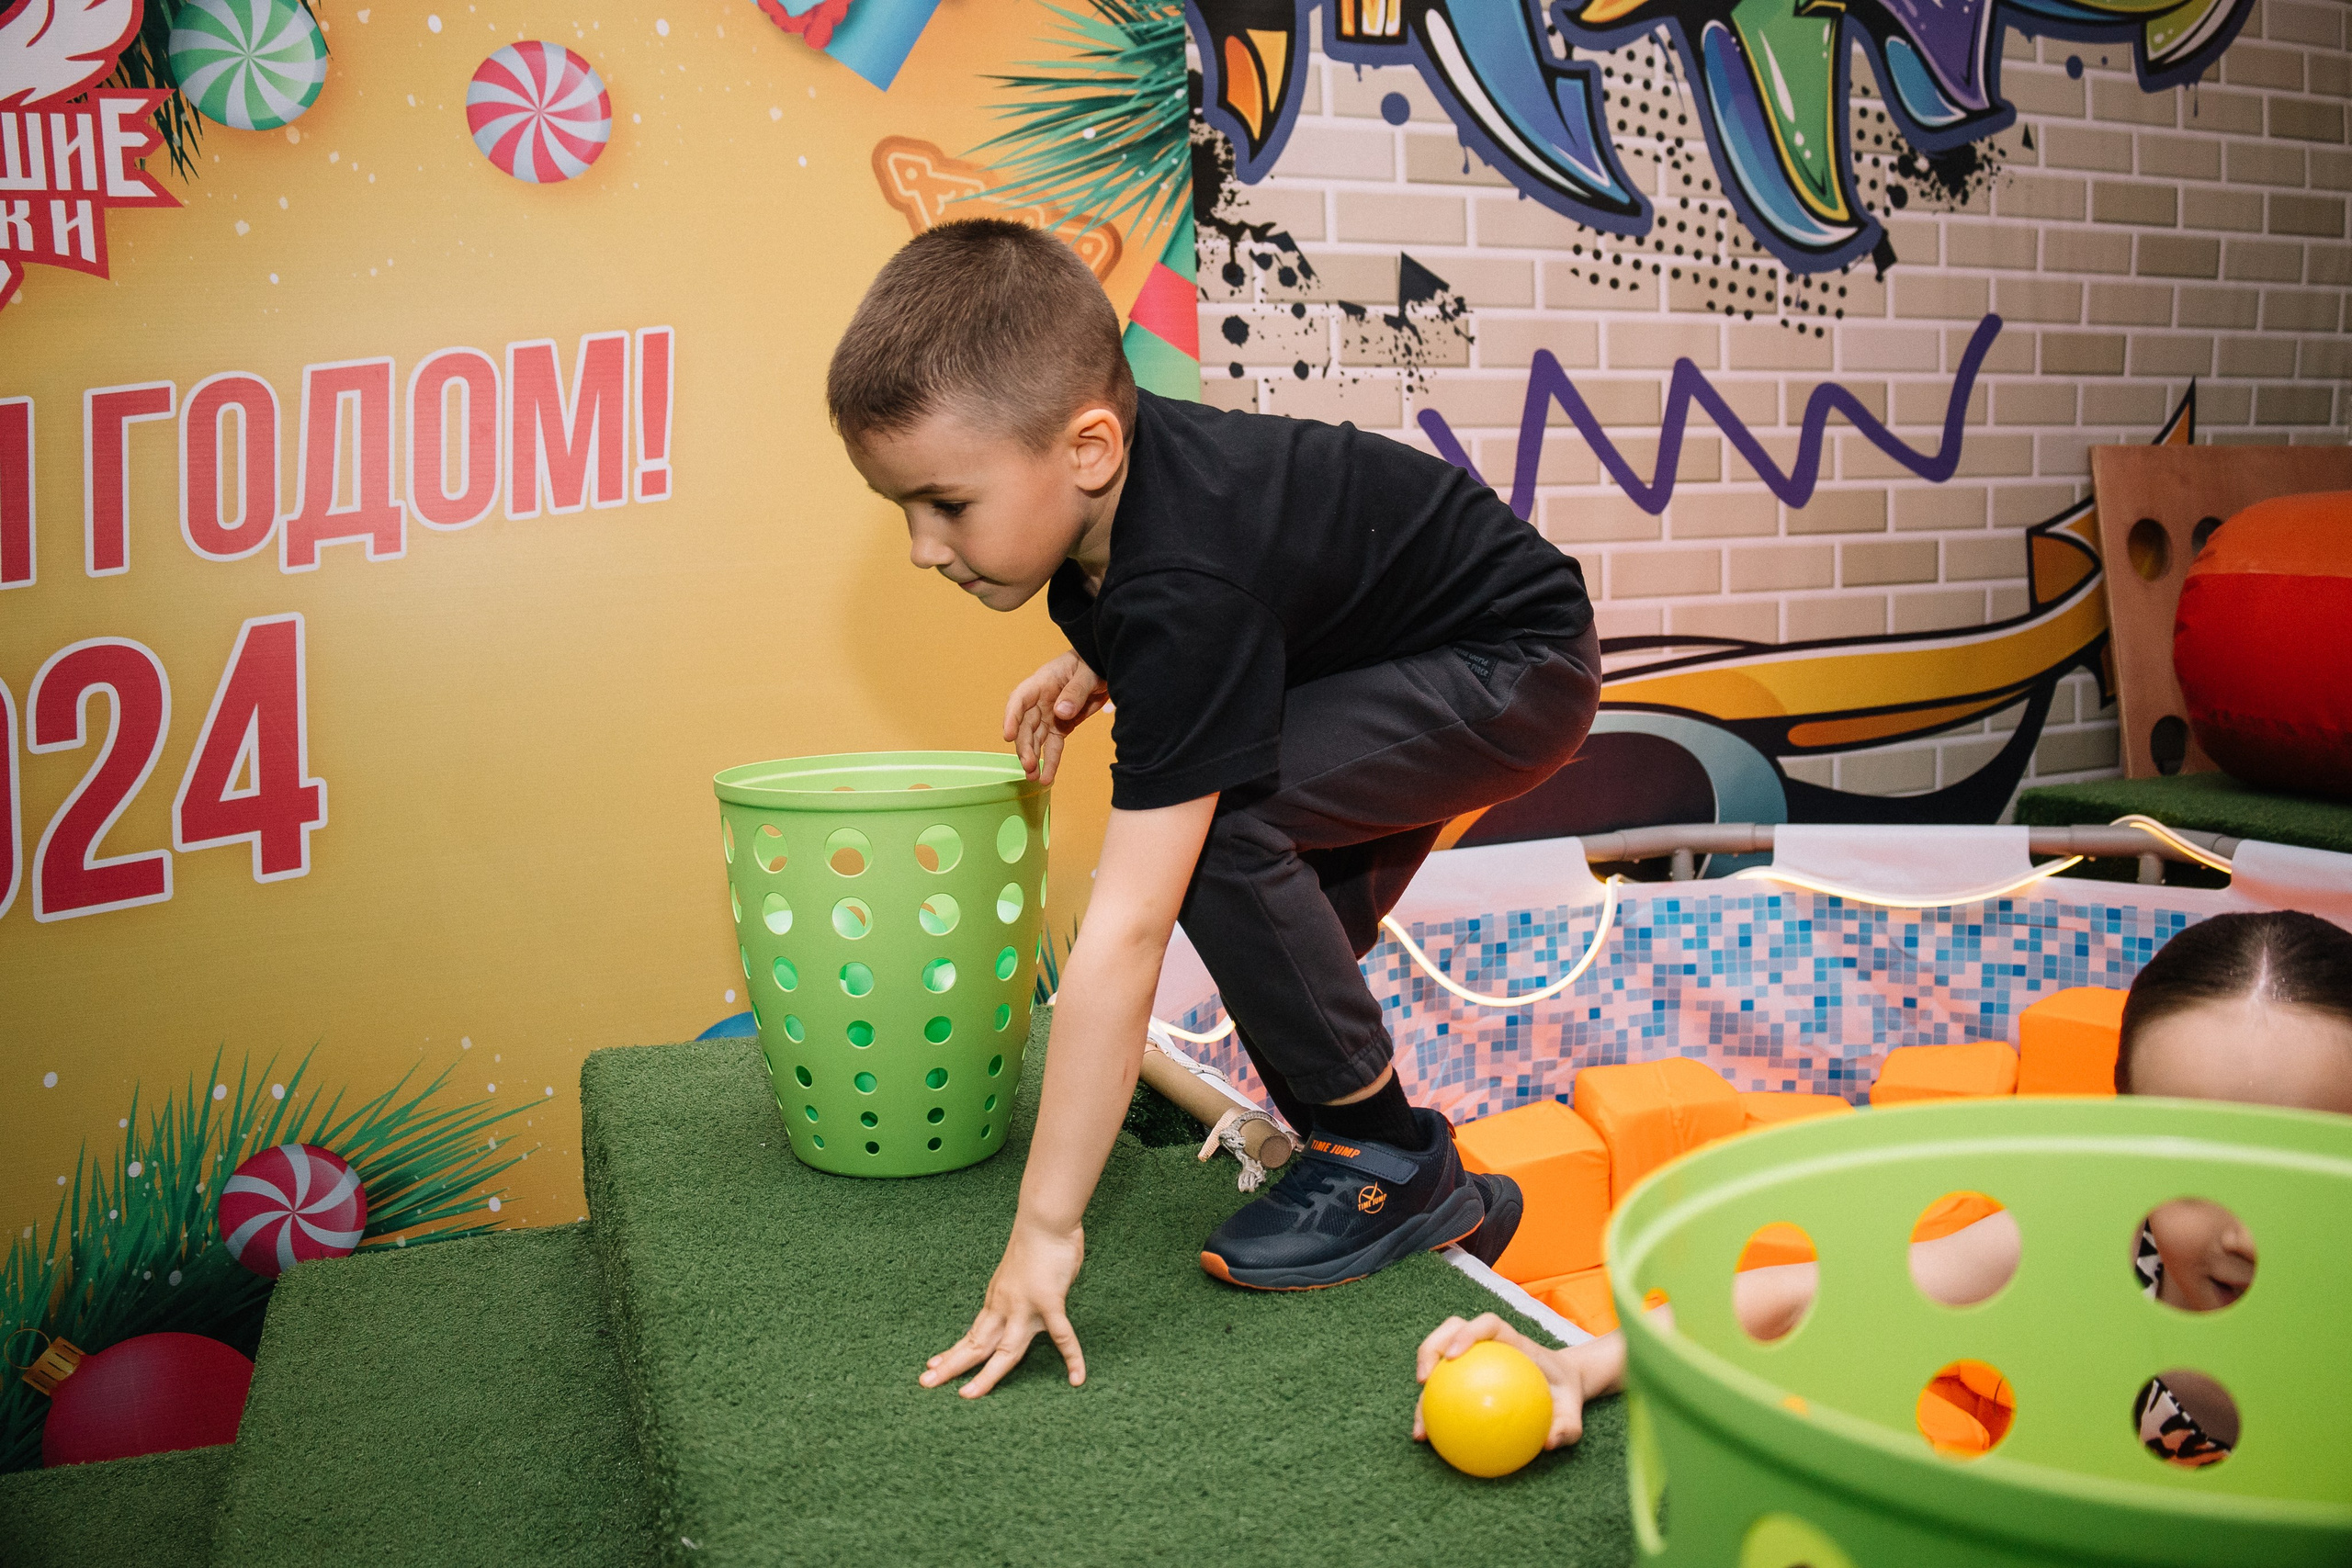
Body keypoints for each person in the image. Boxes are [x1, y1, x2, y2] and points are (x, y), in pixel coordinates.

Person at [826, 220, 1600, 1398]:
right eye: (901, 509)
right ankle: (1394, 1166)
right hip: (1396, 651)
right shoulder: (1117, 505)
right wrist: (1103, 664)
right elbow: (1248, 572)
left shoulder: (1180, 588)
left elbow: (1124, 929)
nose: (924, 549)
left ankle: (1393, 1158)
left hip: (1516, 664)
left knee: (1223, 841)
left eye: (944, 503)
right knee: (1268, 915)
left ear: (1087, 448)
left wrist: (1044, 1232)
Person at [1411, 908, 2352, 1461]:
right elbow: (1796, 1294)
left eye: (2308, 1161)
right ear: (2126, 1146)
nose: (2248, 1230)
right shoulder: (2102, 1249)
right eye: (2199, 1165)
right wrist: (1581, 1365)